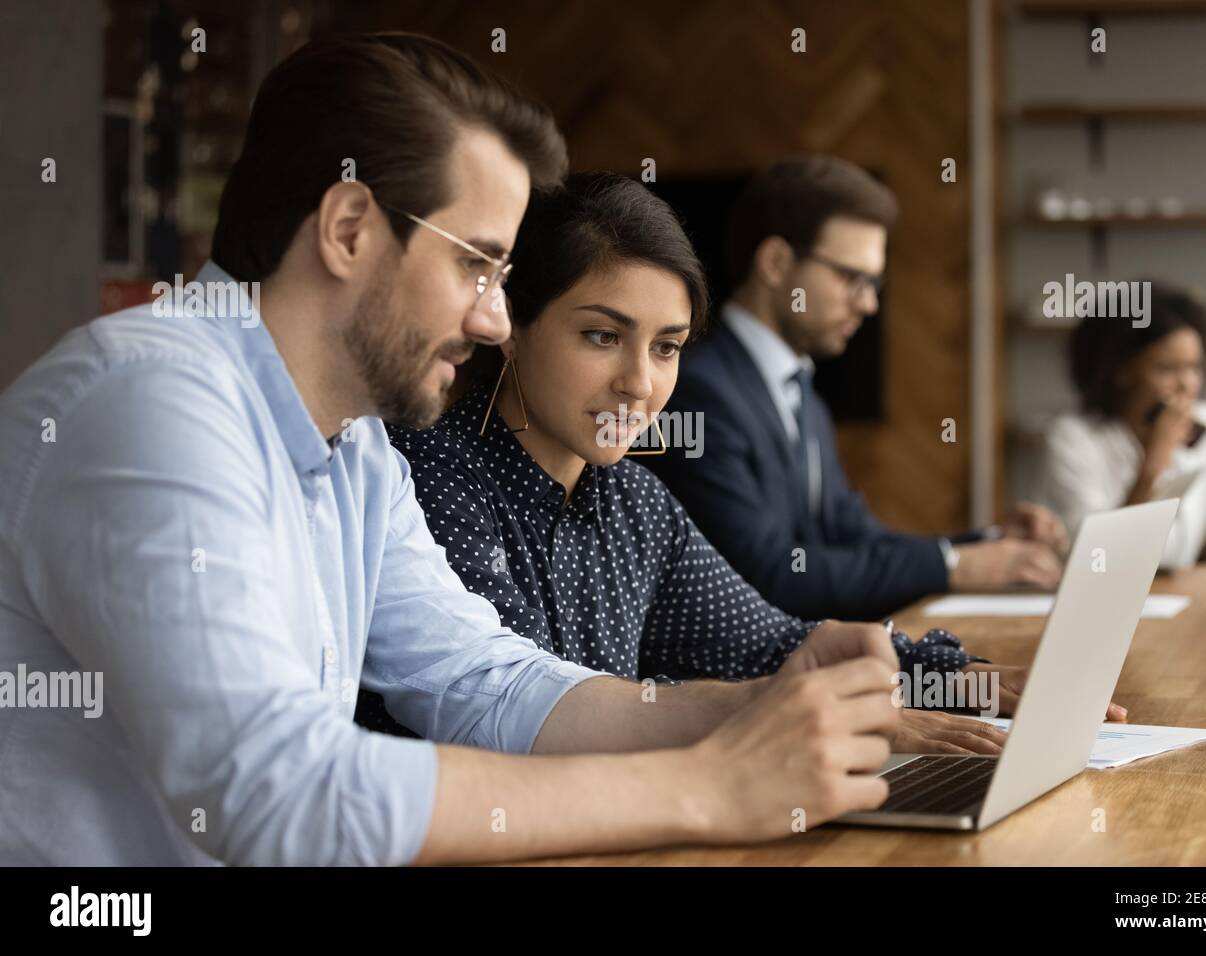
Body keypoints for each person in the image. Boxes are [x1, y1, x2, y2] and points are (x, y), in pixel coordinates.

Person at [0, 34, 905, 866]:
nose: (493, 317)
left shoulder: (353, 446)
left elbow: (486, 682)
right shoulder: (152, 403)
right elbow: (274, 790)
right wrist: (708, 787)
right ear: (349, 227)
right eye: (476, 265)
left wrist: (765, 709)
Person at [371, 171, 1032, 756]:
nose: (639, 383)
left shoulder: (633, 500)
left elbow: (768, 645)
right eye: (602, 336)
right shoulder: (431, 476)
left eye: (666, 347)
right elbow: (511, 718)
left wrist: (953, 680)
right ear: (512, 323)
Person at [646, 155, 1067, 622]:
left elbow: (854, 537)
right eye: (852, 278)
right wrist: (956, 566)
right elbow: (767, 575)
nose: (868, 304)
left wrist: (990, 546)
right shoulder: (696, 391)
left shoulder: (804, 396)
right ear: (776, 262)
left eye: (874, 283)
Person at [1040, 282, 1206, 567]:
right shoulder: (1073, 438)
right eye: (1167, 369)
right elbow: (1101, 556)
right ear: (1121, 371)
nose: (1187, 385)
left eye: (1195, 367)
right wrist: (1152, 467)